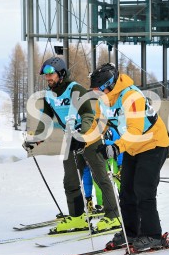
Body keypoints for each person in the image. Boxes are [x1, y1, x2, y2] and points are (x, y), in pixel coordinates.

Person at [24, 57, 121, 234]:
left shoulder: (75, 89)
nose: (48, 79)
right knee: (70, 180)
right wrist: (35, 139)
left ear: (61, 73)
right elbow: (45, 121)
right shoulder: (49, 95)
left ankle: (113, 216)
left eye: (51, 75)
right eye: (46, 76)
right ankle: (77, 218)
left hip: (89, 138)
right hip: (71, 140)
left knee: (100, 177)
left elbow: (87, 115)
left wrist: (82, 135)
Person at [89, 63, 169, 252]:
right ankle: (131, 233)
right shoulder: (103, 99)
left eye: (99, 90)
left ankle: (153, 235)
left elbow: (135, 129)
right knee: (126, 192)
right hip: (132, 147)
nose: (97, 94)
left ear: (109, 84)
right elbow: (98, 123)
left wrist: (116, 148)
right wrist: (83, 140)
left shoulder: (131, 96)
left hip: (153, 144)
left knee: (143, 189)